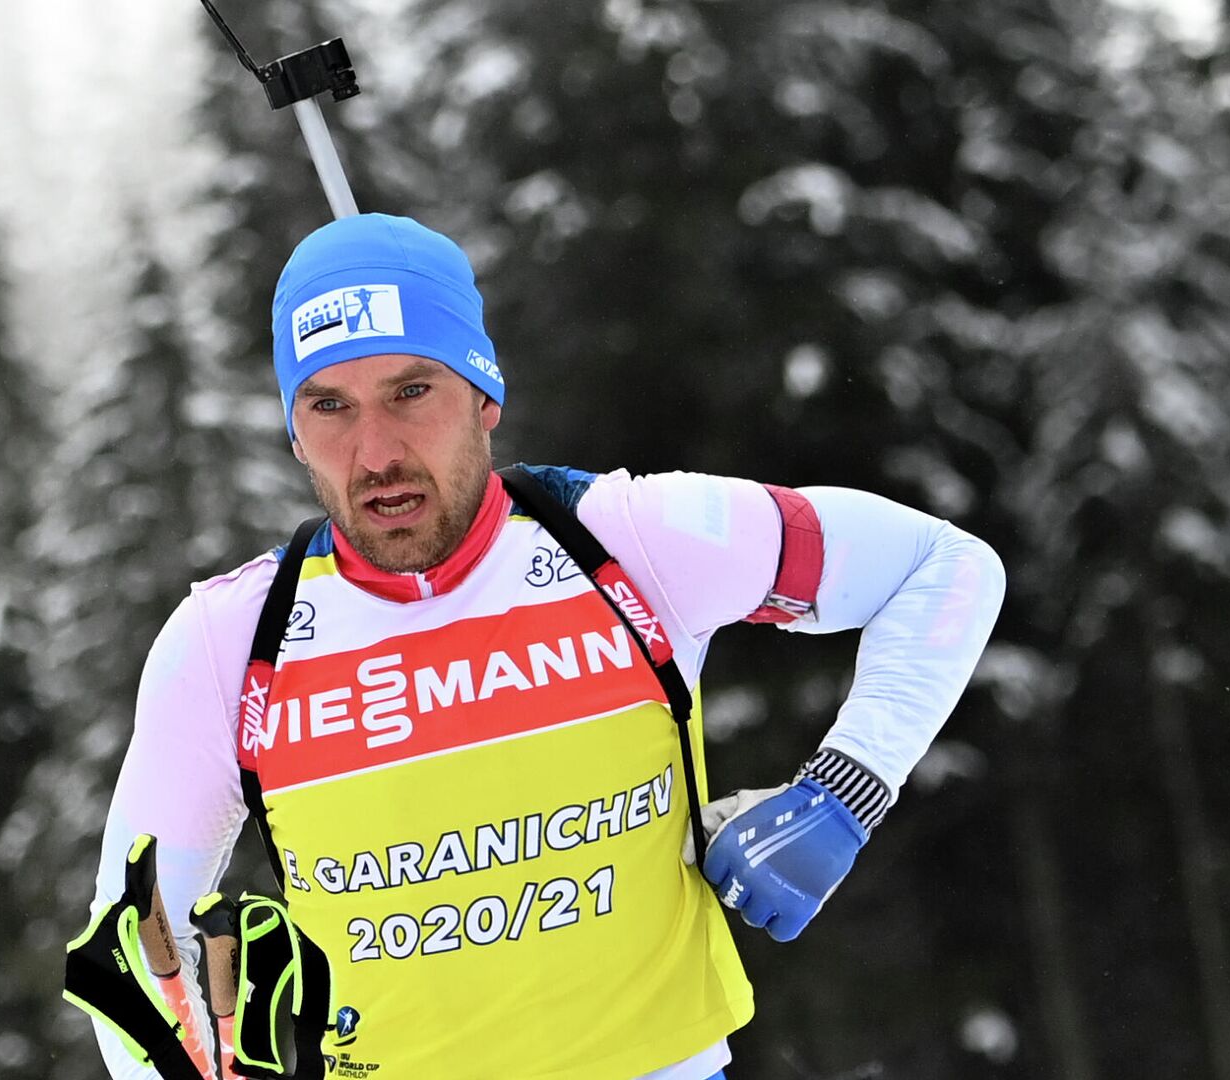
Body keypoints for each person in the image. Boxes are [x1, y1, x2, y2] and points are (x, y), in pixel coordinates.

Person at [85, 213, 1005, 1079]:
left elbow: (940, 564)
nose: (375, 454)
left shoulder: (630, 542)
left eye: (412, 391)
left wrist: (843, 791)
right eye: (329, 406)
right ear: (293, 432)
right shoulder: (231, 642)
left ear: (485, 395)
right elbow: (132, 939)